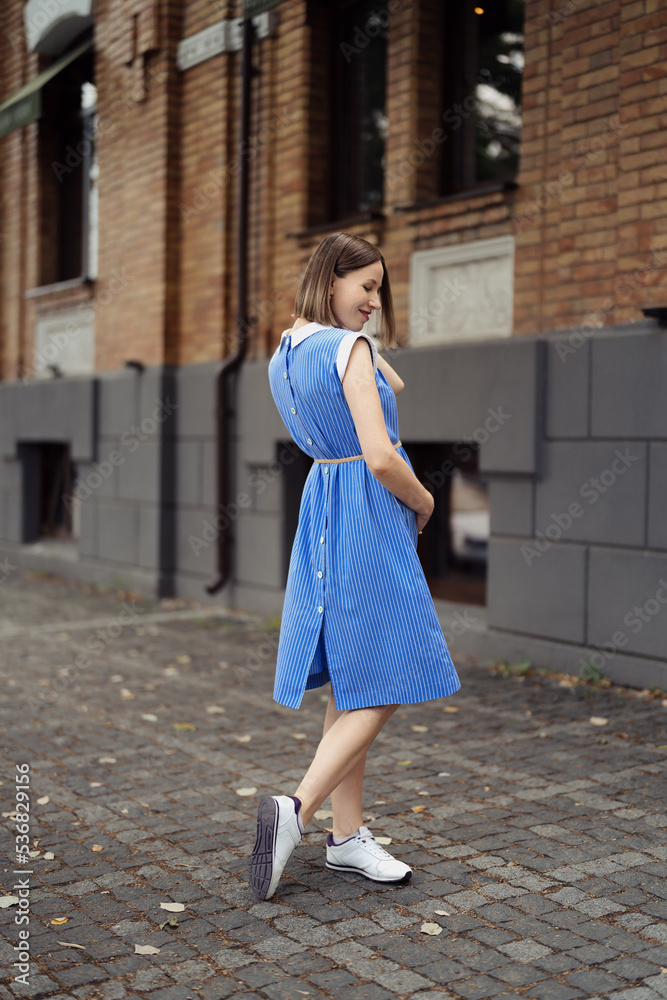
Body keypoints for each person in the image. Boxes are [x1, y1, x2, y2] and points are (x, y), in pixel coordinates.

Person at [247, 232, 461, 901]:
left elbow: (362, 407)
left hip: (324, 507)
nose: (374, 301)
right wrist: (424, 501)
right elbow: (380, 454)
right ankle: (297, 809)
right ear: (329, 279)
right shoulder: (346, 348)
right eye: (364, 286)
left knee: (352, 677)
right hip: (367, 511)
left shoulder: (285, 352)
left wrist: (362, 348)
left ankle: (347, 838)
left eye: (379, 289)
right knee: (391, 672)